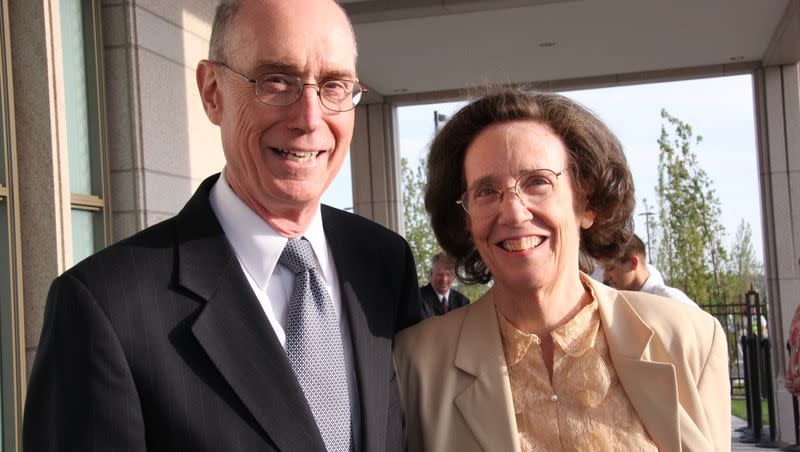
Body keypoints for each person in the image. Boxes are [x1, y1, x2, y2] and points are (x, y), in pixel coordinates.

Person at [23, 0, 422, 450]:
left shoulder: (383, 264)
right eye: (276, 80)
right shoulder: (105, 308)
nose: (310, 118)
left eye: (334, 86)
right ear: (212, 92)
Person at [394, 89, 730, 451]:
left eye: (537, 182)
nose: (513, 212)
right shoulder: (417, 365)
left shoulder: (688, 341)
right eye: (486, 191)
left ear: (586, 203)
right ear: (467, 220)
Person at [602, 234, 698, 307]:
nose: (605, 276)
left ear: (633, 263)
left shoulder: (671, 301)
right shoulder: (619, 304)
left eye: (610, 267)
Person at [420, 252, 470, 318]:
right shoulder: (418, 298)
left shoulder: (463, 302)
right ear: (431, 273)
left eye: (448, 274)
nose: (444, 279)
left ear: (454, 276)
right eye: (440, 274)